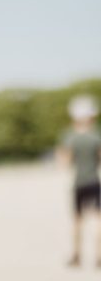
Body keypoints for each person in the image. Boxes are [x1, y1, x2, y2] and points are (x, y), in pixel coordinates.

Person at [60, 94, 101, 267]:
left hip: (78, 183)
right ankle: (99, 256)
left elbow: (65, 162)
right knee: (98, 220)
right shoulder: (96, 136)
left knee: (77, 221)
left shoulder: (70, 137)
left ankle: (76, 255)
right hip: (94, 182)